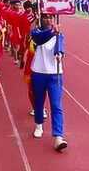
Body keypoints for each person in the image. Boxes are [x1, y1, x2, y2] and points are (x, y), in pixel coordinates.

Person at [30, 13, 67, 152]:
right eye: (45, 17)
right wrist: (53, 31)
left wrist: (60, 54)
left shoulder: (59, 34)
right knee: (39, 102)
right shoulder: (36, 32)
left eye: (51, 17)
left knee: (56, 105)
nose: (48, 19)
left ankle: (58, 136)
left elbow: (60, 46)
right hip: (38, 72)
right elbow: (39, 39)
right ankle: (39, 125)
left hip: (55, 74)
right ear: (41, 18)